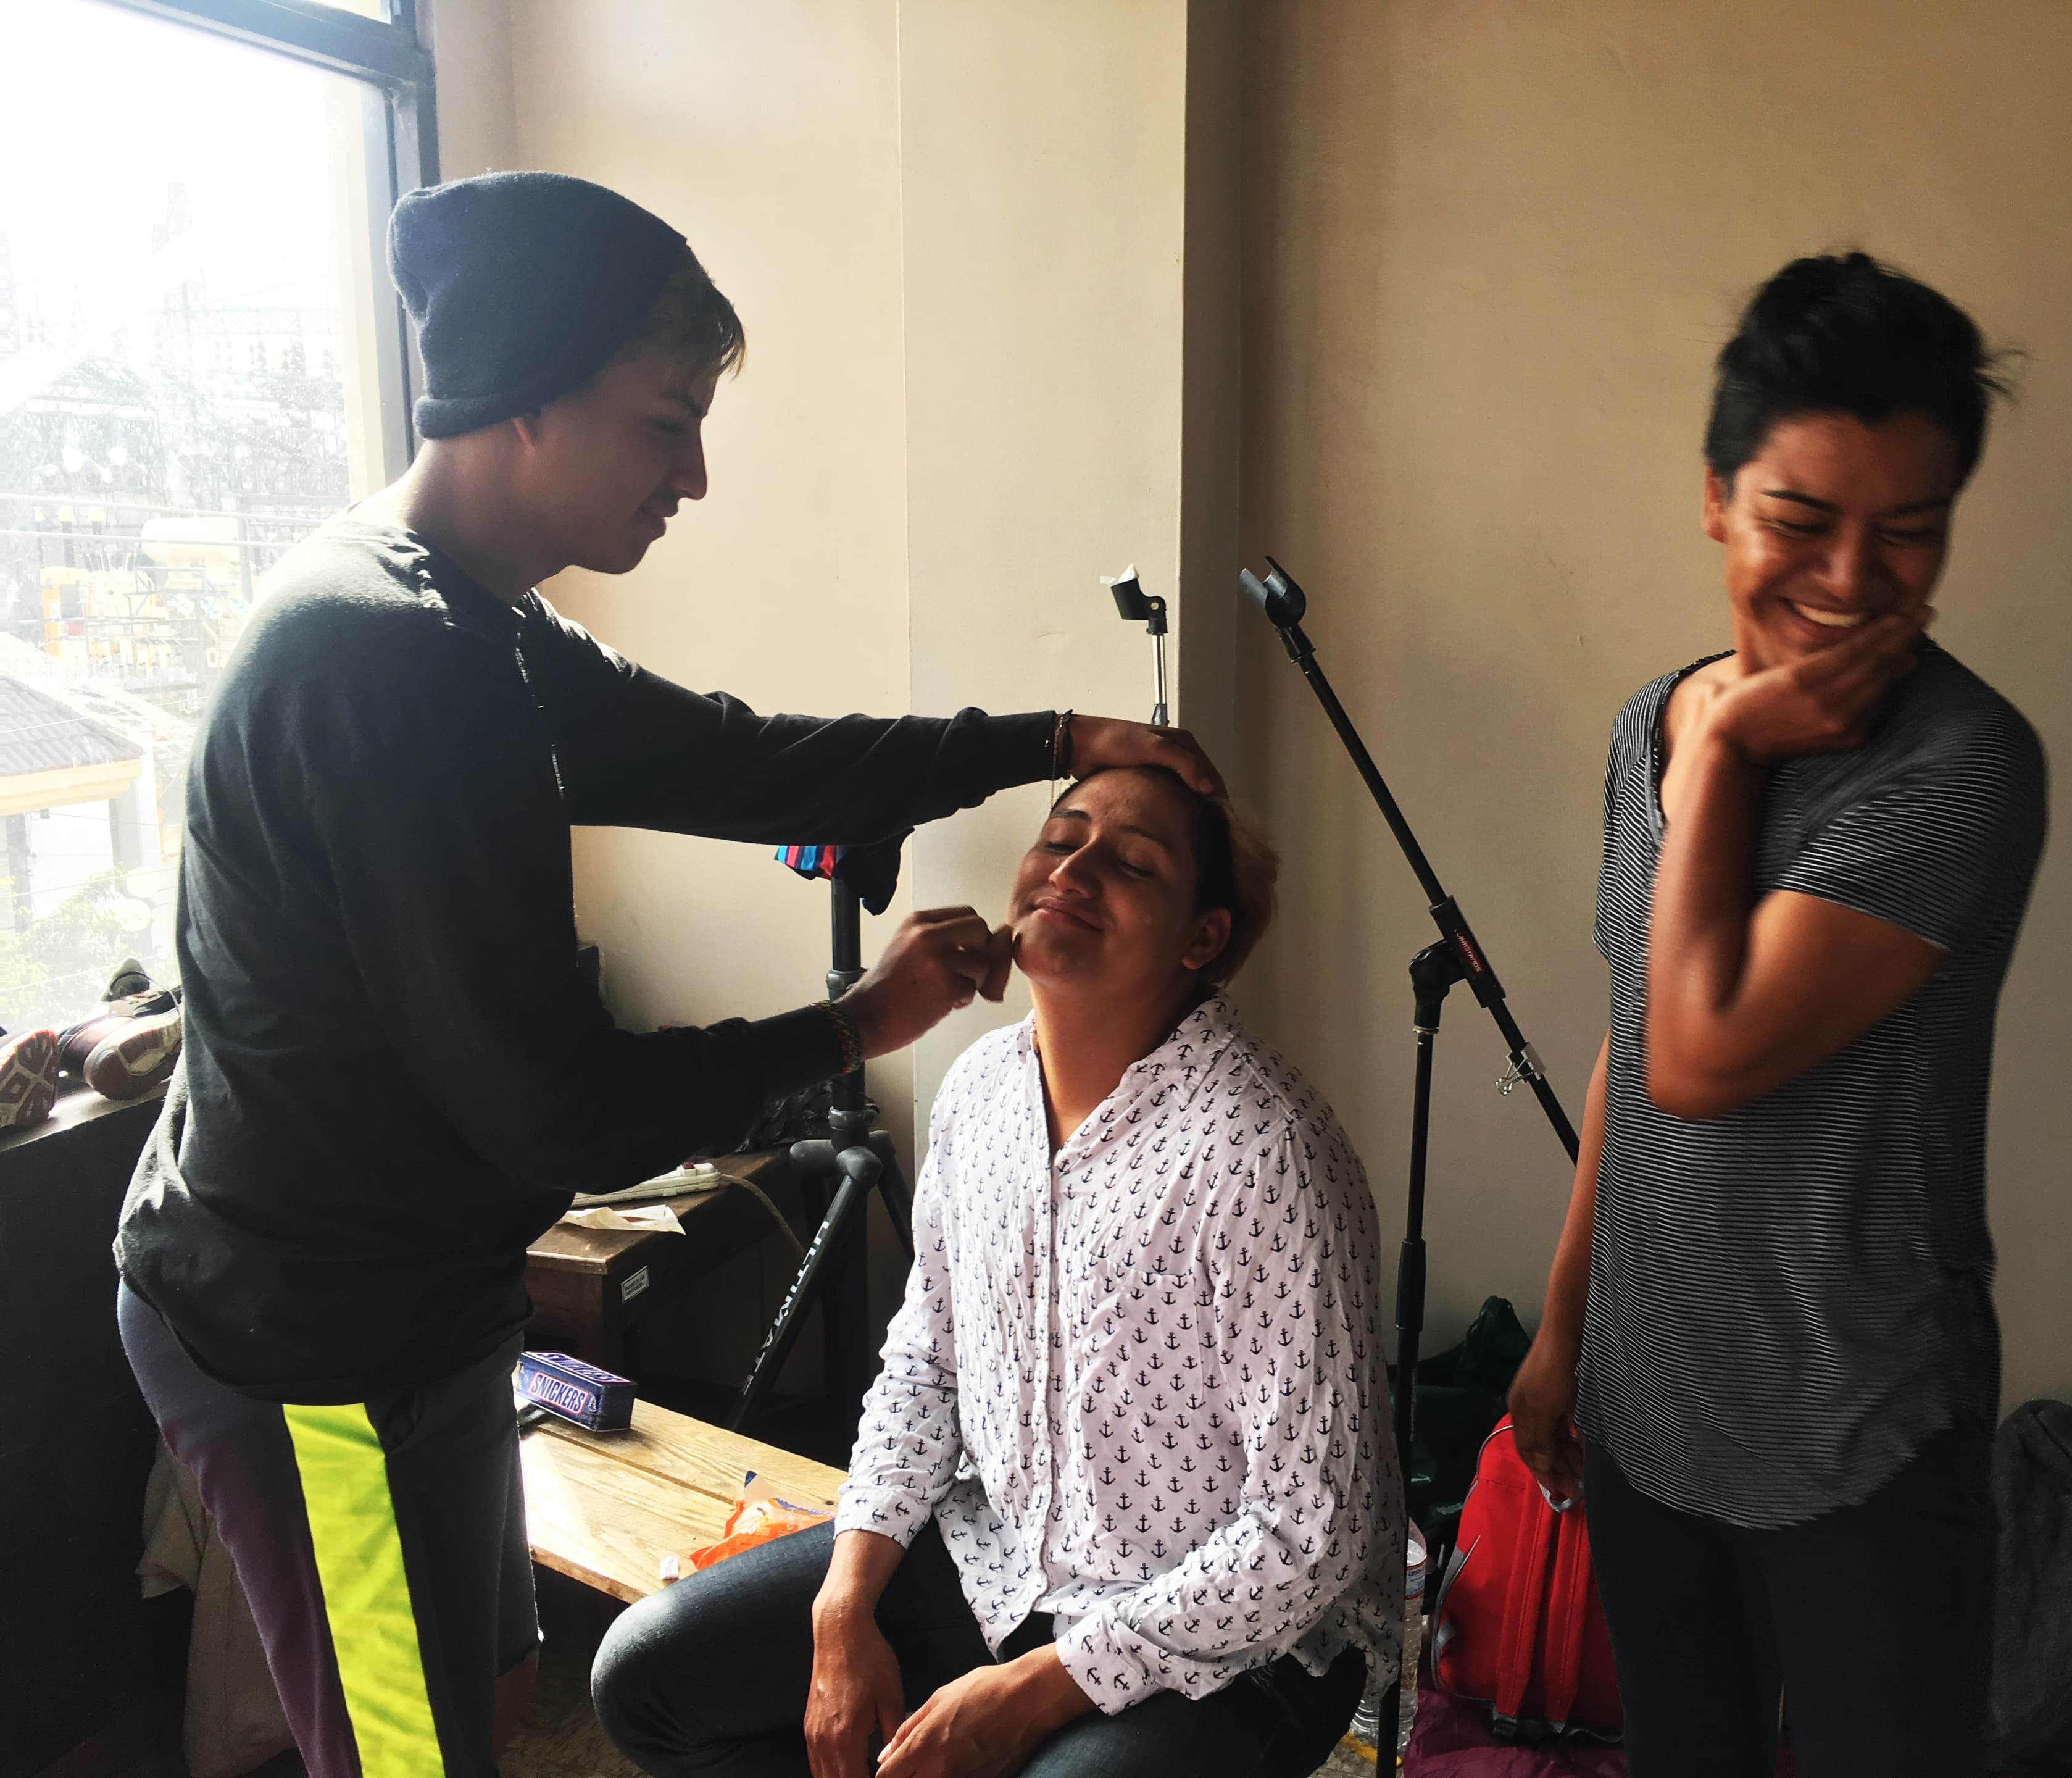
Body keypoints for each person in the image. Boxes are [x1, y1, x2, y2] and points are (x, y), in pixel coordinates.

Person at [112, 172, 1218, 1778]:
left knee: (463, 1699)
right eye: (663, 420)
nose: (694, 472)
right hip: (310, 1342)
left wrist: (1042, 743)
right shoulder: (387, 665)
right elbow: (554, 1113)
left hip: (418, 1305)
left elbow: (748, 764)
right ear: (522, 402)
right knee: (402, 1750)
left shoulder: (482, 629)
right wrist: (854, 1026)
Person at [1505, 253, 2047, 1776]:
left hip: (1860, 1427)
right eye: (1800, 521)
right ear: (1716, 497)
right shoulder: (1648, 727)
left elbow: (1705, 1053)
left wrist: (1736, 748)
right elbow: (1637, 1021)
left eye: (1911, 533)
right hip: (1656, 1397)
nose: (1852, 579)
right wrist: (1566, 1326)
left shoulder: (1962, 764)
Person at [592, 765, 1402, 1778]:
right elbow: (926, 1364)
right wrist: (843, 1604)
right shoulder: (980, 1093)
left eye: (1134, 861)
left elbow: (1311, 1531)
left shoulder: (1260, 1152)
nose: (1078, 867)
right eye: (1062, 836)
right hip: (1004, 1558)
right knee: (650, 1675)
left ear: (1202, 940)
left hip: (1240, 1641)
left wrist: (1038, 1688)